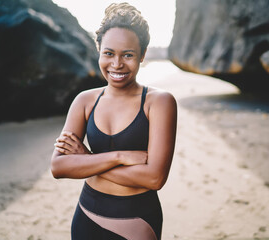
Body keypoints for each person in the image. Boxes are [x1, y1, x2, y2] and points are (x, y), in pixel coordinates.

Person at [51, 2, 177, 240]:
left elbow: (155, 178)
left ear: (142, 55)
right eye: (108, 53)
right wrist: (118, 156)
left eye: (127, 55)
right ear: (99, 50)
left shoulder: (159, 102)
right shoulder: (85, 101)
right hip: (86, 216)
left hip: (136, 222)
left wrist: (87, 160)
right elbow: (58, 167)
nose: (117, 64)